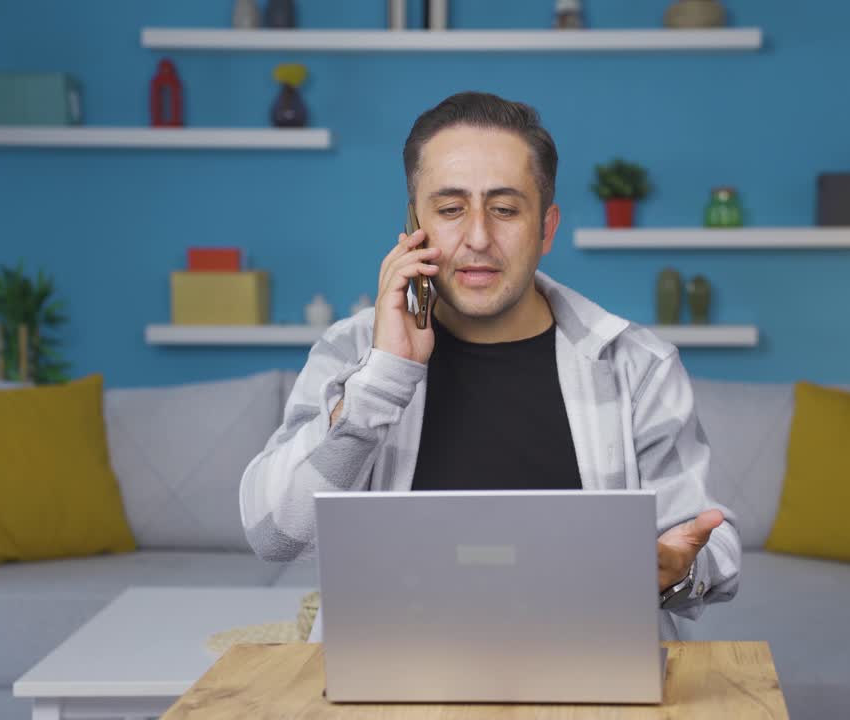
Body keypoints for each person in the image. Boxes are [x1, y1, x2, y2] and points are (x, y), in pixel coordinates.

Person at [240, 91, 739, 631]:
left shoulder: (636, 363)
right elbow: (274, 535)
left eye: (504, 210)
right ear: (413, 227)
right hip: (394, 676)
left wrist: (677, 570)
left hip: (589, 670)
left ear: (545, 229)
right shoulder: (350, 352)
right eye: (451, 209)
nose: (478, 238)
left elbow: (707, 544)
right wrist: (383, 376)